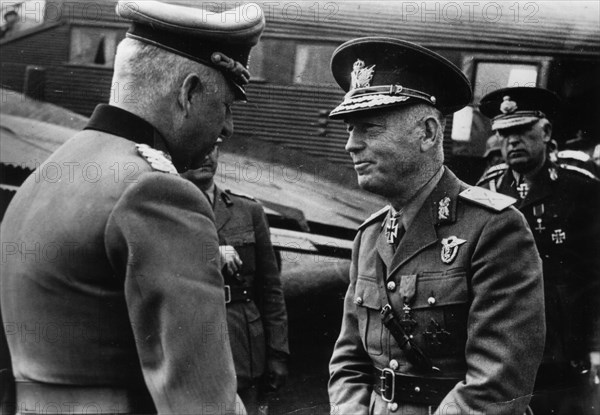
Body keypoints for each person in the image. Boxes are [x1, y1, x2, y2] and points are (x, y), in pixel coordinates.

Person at [0, 1, 265, 414]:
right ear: (189, 92)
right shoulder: (158, 191)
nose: (227, 128)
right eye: (226, 106)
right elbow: (201, 404)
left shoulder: (46, 176)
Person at [327, 37, 546, 415]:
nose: (351, 145)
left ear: (428, 133)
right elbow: (348, 364)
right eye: (350, 129)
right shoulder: (369, 236)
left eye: (368, 128)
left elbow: (498, 384)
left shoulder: (493, 229)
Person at [477, 87, 600, 415]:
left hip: (566, 339)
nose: (512, 141)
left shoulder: (581, 186)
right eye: (504, 133)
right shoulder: (487, 191)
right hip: (506, 340)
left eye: (521, 130)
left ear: (545, 132)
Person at [182, 139, 289, 414]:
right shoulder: (166, 210)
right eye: (199, 146)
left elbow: (270, 288)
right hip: (190, 345)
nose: (207, 155)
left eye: (213, 147)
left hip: (243, 346)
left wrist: (278, 352)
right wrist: (210, 254)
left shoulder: (247, 210)